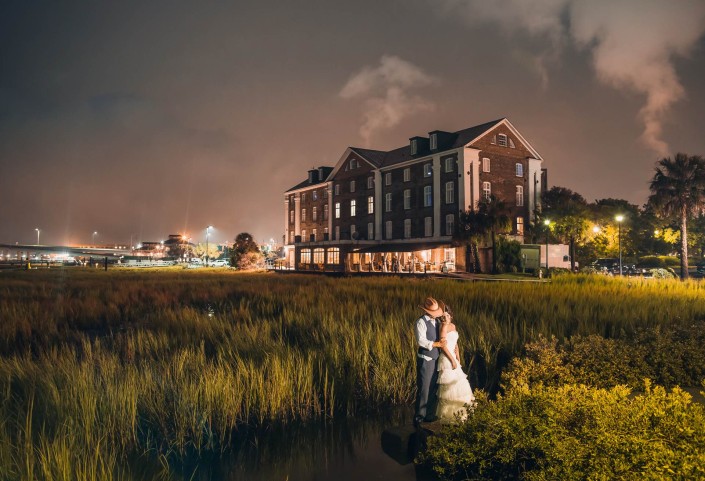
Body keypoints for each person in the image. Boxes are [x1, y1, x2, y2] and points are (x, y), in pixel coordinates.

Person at [435, 301, 475, 422]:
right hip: (446, 358)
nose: (445, 318)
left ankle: (462, 414)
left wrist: (457, 354)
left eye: (447, 315)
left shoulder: (453, 326)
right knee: (450, 386)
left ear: (451, 315)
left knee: (460, 384)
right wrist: (452, 359)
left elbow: (455, 343)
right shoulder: (443, 326)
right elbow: (443, 346)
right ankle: (450, 416)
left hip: (453, 356)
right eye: (443, 316)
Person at [414, 297, 447, 427]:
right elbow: (420, 341)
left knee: (433, 387)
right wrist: (436, 344)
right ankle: (419, 417)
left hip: (436, 358)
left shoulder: (437, 322)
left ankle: (430, 415)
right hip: (426, 359)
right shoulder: (420, 322)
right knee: (424, 388)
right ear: (426, 311)